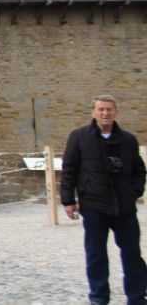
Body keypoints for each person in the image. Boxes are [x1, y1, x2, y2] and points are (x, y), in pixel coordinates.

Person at [62, 95, 147, 305]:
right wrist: (68, 200)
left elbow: (139, 170)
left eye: (109, 109)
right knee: (96, 254)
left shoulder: (128, 140)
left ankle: (137, 297)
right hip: (94, 205)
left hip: (124, 206)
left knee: (132, 253)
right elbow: (69, 169)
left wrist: (134, 192)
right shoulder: (79, 137)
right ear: (93, 112)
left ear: (115, 112)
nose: (105, 113)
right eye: (101, 109)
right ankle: (99, 298)